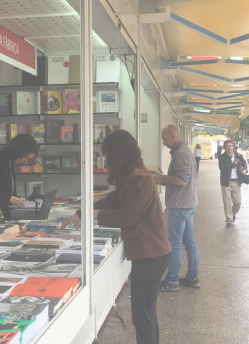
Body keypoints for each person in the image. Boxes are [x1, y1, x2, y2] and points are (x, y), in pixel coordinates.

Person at [61, 130, 170, 344]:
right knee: (147, 314)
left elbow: (126, 217)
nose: (106, 160)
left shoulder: (139, 179)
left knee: (143, 317)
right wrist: (81, 212)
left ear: (117, 154)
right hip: (150, 254)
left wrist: (94, 214)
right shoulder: (133, 176)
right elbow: (114, 199)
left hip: (151, 256)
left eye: (108, 154)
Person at [154, 125, 199, 292]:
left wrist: (163, 179)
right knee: (190, 243)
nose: (164, 143)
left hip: (180, 206)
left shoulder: (180, 154)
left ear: (173, 136)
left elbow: (182, 180)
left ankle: (172, 280)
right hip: (189, 203)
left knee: (174, 244)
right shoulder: (186, 151)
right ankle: (193, 277)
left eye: (165, 139)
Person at [0, 134, 38, 222]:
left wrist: (17, 199)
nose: (26, 162)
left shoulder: (9, 162)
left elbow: (5, 190)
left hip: (0, 212)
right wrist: (8, 197)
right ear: (19, 151)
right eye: (26, 158)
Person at [218, 139, 248, 228]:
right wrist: (233, 164)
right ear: (225, 148)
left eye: (231, 146)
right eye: (227, 146)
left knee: (238, 202)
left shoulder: (238, 155)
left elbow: (244, 163)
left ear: (233, 147)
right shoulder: (222, 157)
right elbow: (222, 168)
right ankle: (229, 220)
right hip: (226, 182)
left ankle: (232, 214)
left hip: (236, 181)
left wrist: (245, 169)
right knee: (227, 202)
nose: (229, 148)